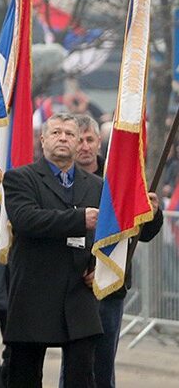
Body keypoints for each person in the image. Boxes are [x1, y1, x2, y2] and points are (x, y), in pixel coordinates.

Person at [58, 115, 163, 388]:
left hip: (110, 288)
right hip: (73, 286)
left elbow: (145, 234)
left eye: (89, 140)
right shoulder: (61, 182)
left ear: (99, 142)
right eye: (77, 139)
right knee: (73, 367)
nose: (83, 146)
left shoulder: (121, 181)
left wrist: (152, 213)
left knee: (103, 365)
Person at [2, 114, 102, 388]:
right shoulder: (20, 178)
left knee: (82, 374)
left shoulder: (96, 185)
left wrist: (99, 266)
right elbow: (26, 220)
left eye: (70, 134)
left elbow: (106, 235)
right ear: (42, 139)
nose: (63, 138)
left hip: (78, 291)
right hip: (34, 289)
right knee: (23, 373)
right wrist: (79, 219)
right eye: (56, 132)